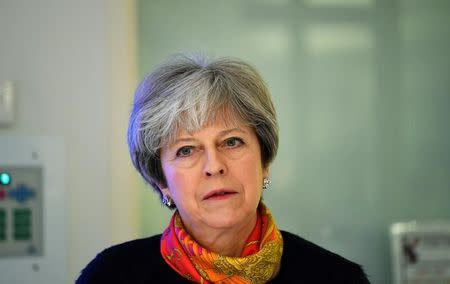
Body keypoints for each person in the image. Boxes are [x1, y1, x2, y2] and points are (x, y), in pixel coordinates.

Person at [77, 54, 370, 283]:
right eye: (186, 150)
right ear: (161, 180)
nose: (214, 166)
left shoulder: (336, 277)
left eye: (232, 142)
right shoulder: (111, 276)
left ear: (264, 162)